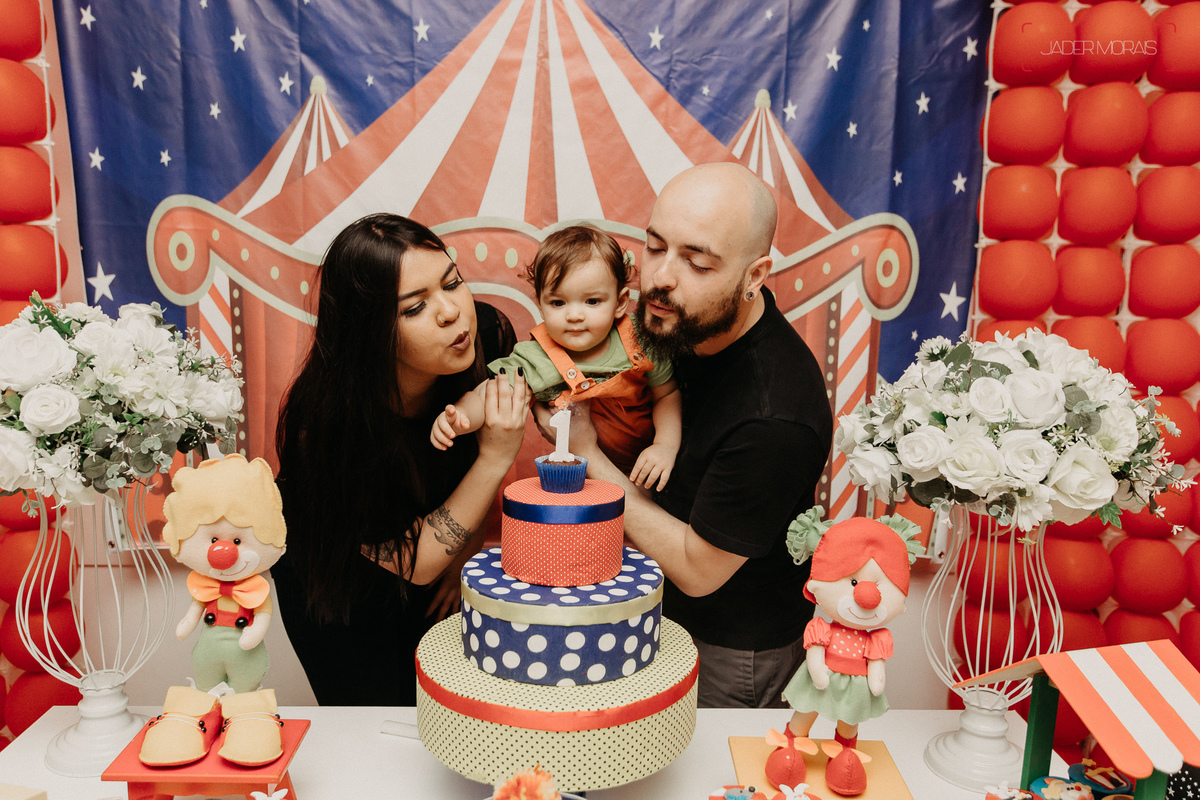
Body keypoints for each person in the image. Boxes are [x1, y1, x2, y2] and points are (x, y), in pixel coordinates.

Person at [538, 162, 833, 708]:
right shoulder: (673, 324)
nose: (660, 278)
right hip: (650, 610)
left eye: (697, 262)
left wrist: (584, 458)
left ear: (754, 276)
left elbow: (699, 570)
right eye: (653, 247)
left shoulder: (776, 414)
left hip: (729, 651)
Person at [272, 213, 530, 706]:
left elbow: (456, 498)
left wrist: (465, 558)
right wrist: (497, 459)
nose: (453, 313)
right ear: (370, 332)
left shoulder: (490, 339)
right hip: (340, 588)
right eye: (414, 308)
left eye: (452, 283)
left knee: (454, 715)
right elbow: (416, 562)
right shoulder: (326, 422)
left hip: (435, 561)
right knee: (378, 727)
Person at [431, 224, 681, 489]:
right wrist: (460, 417)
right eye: (558, 303)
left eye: (592, 301)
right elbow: (489, 394)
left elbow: (666, 394)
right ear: (540, 304)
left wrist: (665, 445)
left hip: (647, 466)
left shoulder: (639, 337)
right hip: (582, 478)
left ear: (619, 303)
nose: (574, 315)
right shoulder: (535, 357)